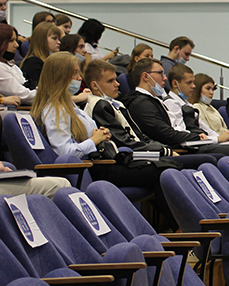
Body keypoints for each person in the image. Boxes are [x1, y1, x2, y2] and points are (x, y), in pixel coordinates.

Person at [29, 52, 166, 212]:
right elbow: (64, 153)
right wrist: (94, 140)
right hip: (92, 168)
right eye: (75, 73)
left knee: (166, 166)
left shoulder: (68, 104)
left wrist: (100, 136)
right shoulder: (54, 110)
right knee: (162, 171)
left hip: (101, 161)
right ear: (61, 76)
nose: (79, 78)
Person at [82, 60, 215, 168]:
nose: (117, 84)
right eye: (110, 81)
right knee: (199, 162)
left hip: (143, 152)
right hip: (127, 159)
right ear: (95, 86)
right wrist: (163, 150)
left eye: (116, 80)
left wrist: (161, 148)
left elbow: (139, 136)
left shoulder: (116, 104)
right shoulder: (102, 106)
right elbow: (125, 142)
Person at [123, 58, 229, 160]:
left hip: (187, 144)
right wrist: (197, 138)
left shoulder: (153, 100)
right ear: (146, 77)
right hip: (176, 150)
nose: (165, 78)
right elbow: (166, 134)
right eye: (160, 73)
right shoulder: (141, 103)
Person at [0, 23, 35, 104]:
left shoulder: (11, 65)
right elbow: (24, 96)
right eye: (11, 41)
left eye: (16, 40)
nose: (16, 45)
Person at [20, 22, 61, 90]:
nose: (59, 42)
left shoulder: (50, 61)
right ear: (42, 40)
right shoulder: (33, 63)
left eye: (59, 39)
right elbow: (39, 91)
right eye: (54, 38)